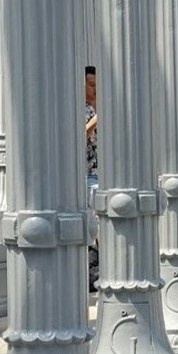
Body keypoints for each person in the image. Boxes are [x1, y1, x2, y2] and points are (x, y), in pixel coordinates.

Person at [84, 65, 99, 292]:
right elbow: (82, 133)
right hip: (87, 175)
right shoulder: (84, 110)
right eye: (91, 85)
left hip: (99, 173)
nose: (95, 89)